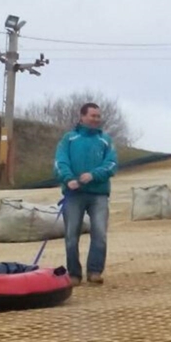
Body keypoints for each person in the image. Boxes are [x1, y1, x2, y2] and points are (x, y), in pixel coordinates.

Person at [54, 102, 118, 286]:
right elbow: (60, 162)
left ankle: (95, 271)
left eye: (98, 116)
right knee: (71, 235)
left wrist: (93, 175)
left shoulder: (106, 140)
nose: (96, 119)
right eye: (92, 115)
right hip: (73, 195)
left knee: (99, 233)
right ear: (82, 117)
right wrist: (68, 179)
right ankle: (74, 273)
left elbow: (112, 164)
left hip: (99, 195)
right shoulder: (69, 139)